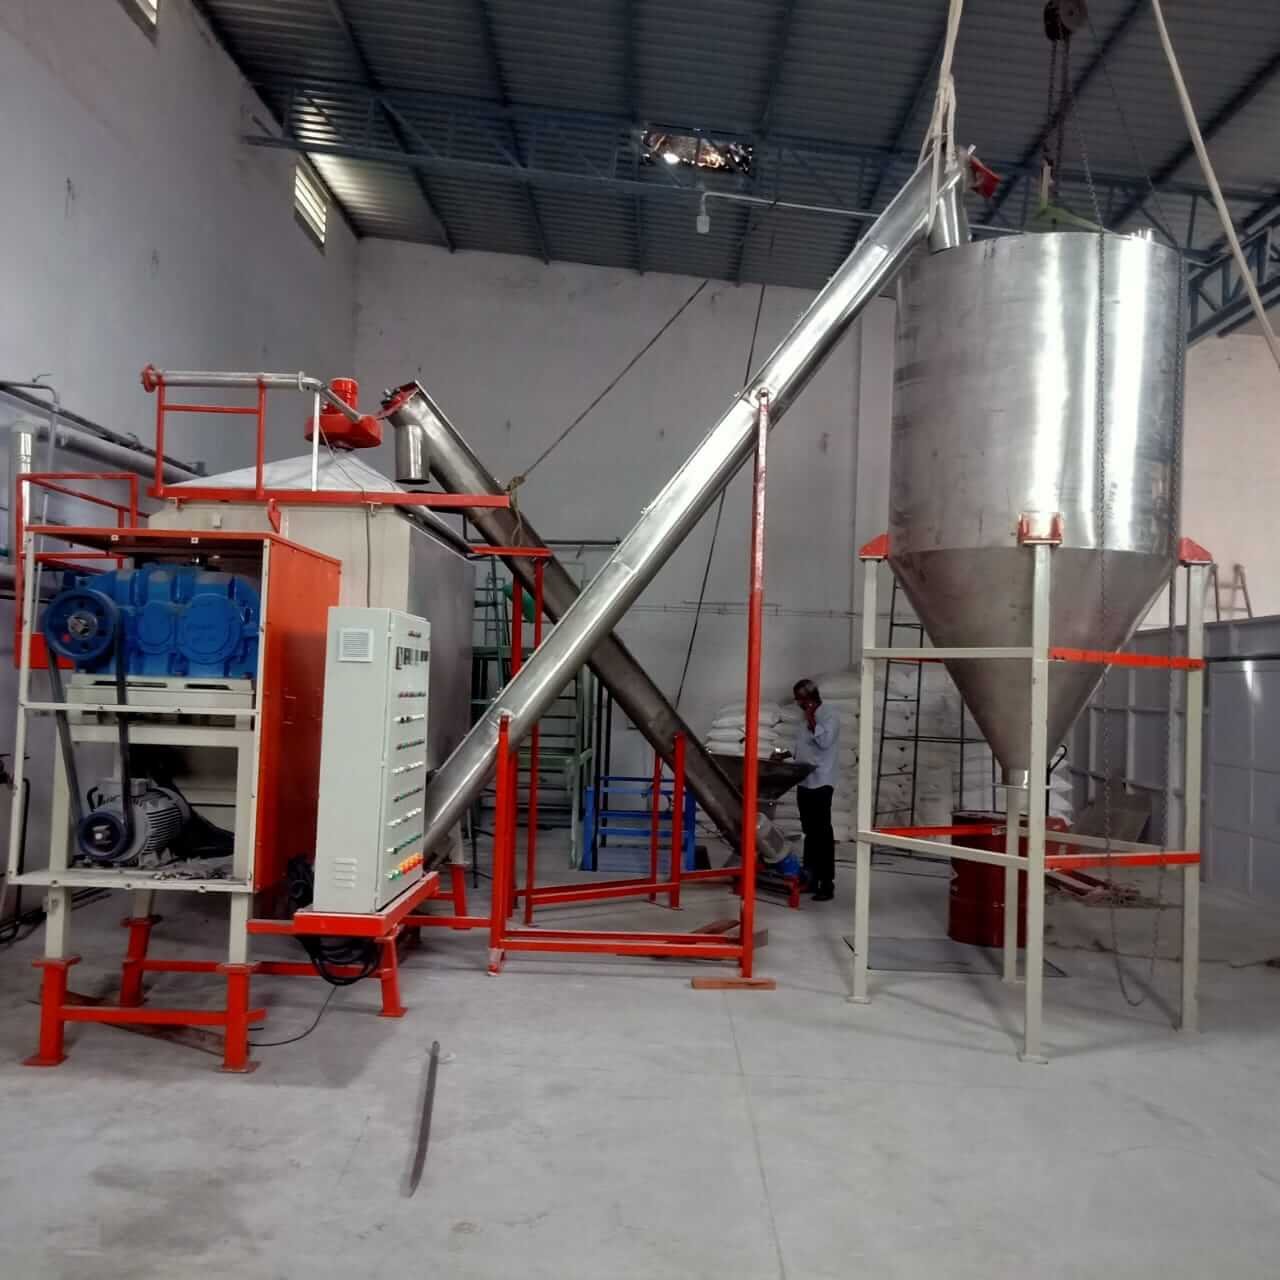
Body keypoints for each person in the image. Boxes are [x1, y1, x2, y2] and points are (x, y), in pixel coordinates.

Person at [791, 678, 839, 901]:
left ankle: (826, 883)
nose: (799, 704)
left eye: (800, 700)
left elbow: (825, 742)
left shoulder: (829, 715)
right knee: (809, 833)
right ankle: (810, 878)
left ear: (810, 698)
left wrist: (812, 717)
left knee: (822, 834)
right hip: (805, 782)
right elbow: (802, 747)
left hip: (822, 782)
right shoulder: (804, 720)